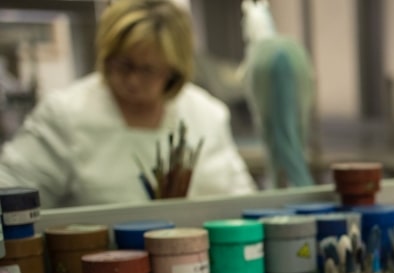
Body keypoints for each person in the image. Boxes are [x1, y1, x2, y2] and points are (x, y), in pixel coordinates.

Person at [0, 0, 256, 208]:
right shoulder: (65, 114)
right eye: (123, 65)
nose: (132, 81)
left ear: (173, 69)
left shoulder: (206, 114)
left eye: (147, 70)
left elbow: (242, 200)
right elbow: (9, 189)